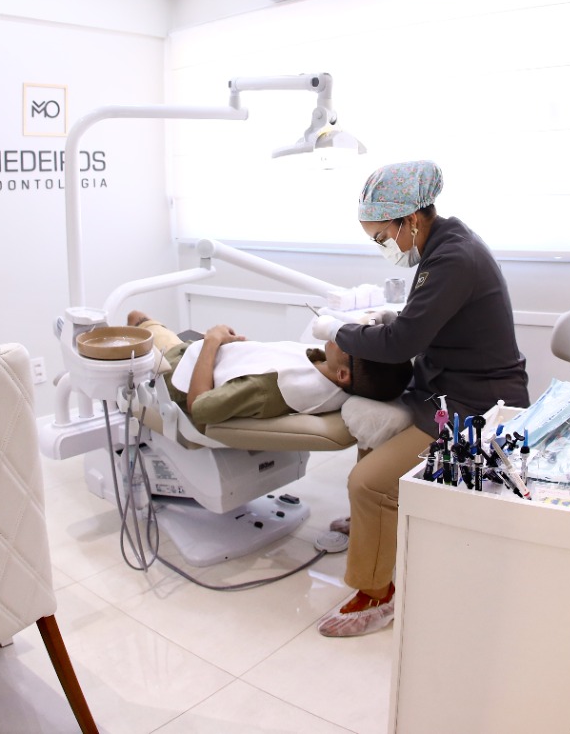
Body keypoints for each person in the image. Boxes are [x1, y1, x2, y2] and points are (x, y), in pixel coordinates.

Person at [308, 160, 529, 637]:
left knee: (368, 481)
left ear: (409, 219)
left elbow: (402, 343)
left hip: (477, 408)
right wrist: (392, 319)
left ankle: (376, 594)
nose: (381, 247)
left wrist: (338, 331)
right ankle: (374, 527)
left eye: (380, 237)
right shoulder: (444, 243)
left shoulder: (453, 258)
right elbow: (424, 323)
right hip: (448, 389)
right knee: (372, 428)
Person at [126, 311, 412, 432]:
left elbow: (199, 407)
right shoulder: (323, 368)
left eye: (350, 342)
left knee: (136, 317)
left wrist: (212, 341)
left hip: (174, 369)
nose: (343, 334)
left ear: (343, 375)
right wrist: (239, 349)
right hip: (204, 355)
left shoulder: (271, 387)